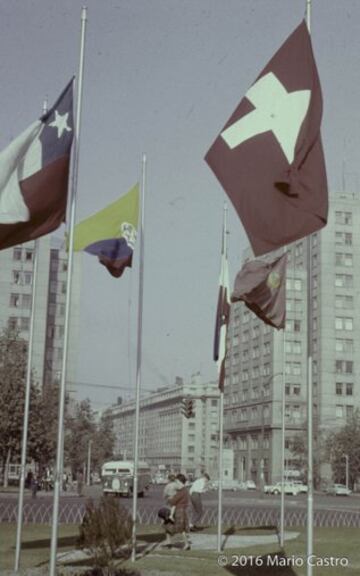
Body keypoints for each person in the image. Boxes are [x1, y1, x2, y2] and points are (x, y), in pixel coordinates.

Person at [163, 473, 191, 550]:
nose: (175, 483)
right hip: (181, 510)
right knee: (169, 524)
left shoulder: (181, 491)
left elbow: (173, 501)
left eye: (177, 481)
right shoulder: (184, 490)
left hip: (179, 511)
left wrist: (169, 499)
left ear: (180, 482)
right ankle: (169, 541)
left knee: (180, 528)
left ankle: (186, 544)